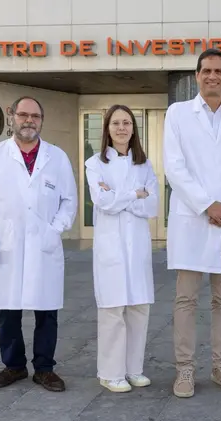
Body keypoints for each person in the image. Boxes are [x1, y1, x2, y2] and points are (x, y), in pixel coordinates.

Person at [163, 48, 221, 398]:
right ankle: (185, 370)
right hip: (194, 218)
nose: (212, 76)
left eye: (219, 71)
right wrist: (207, 206)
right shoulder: (177, 114)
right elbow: (174, 167)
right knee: (185, 299)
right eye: (206, 71)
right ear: (197, 75)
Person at [0, 96, 78, 392]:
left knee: (47, 310)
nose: (29, 120)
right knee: (9, 309)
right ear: (12, 117)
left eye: (35, 116)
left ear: (41, 120)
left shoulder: (57, 157)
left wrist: (55, 230)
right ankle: (14, 365)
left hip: (44, 245)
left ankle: (44, 368)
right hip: (7, 245)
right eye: (23, 115)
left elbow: (69, 201)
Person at [85, 105, 159, 393]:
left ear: (133, 128)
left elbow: (152, 206)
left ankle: (134, 369)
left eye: (127, 122)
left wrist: (119, 197)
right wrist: (134, 194)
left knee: (139, 307)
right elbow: (102, 202)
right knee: (113, 309)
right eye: (116, 123)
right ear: (107, 129)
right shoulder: (95, 164)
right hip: (111, 246)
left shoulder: (144, 164)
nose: (121, 128)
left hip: (137, 244)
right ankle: (110, 372)